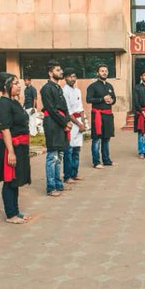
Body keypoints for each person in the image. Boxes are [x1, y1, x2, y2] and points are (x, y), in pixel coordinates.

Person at [0, 74, 31, 225]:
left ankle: (15, 211)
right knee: (9, 180)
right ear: (5, 87)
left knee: (15, 179)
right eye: (15, 84)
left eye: (18, 83)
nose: (19, 86)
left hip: (19, 144)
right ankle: (10, 214)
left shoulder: (14, 102)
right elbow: (5, 129)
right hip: (8, 146)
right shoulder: (2, 104)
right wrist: (11, 152)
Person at [40, 62, 70, 194]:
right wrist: (64, 122)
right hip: (52, 123)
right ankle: (51, 187)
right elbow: (51, 109)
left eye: (61, 69)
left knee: (60, 155)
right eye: (58, 70)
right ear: (50, 73)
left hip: (61, 122)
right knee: (52, 156)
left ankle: (58, 183)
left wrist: (67, 120)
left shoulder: (58, 87)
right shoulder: (46, 88)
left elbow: (64, 107)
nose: (61, 71)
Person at [86, 64, 117, 167]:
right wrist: (101, 99)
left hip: (108, 115)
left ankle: (107, 160)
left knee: (106, 138)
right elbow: (88, 99)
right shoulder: (93, 86)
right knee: (96, 139)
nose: (104, 72)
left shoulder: (110, 86)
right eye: (102, 71)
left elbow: (114, 99)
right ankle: (96, 162)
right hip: (97, 115)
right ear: (98, 73)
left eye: (106, 71)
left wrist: (112, 101)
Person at [62, 67, 85, 184]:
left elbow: (81, 107)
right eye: (70, 76)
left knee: (77, 149)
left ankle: (75, 173)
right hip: (71, 122)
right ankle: (67, 175)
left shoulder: (78, 91)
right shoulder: (64, 91)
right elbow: (68, 111)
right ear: (65, 78)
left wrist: (84, 122)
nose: (73, 79)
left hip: (80, 121)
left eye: (74, 76)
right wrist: (78, 123)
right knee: (69, 150)